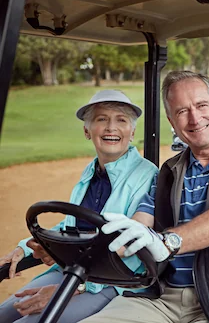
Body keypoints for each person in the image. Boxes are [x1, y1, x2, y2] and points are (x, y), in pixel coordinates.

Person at [80, 71, 209, 323]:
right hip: (162, 299)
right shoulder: (169, 172)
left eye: (201, 105)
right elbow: (138, 225)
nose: (194, 118)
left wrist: (167, 242)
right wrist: (79, 264)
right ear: (172, 121)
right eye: (181, 111)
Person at [0, 90, 158, 323]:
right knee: (4, 313)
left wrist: (77, 286)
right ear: (87, 130)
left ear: (132, 131)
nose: (110, 128)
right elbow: (73, 224)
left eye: (121, 120)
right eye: (101, 119)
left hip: (113, 281)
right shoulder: (92, 171)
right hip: (74, 271)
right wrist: (25, 247)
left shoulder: (147, 175)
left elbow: (132, 245)